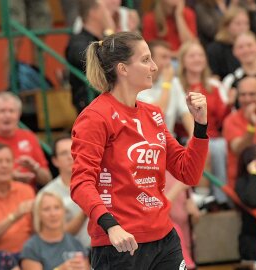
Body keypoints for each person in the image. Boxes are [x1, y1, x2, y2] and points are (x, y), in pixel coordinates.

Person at [70, 31, 209, 269]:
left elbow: (188, 173)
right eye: (145, 60)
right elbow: (81, 182)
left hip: (164, 238)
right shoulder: (95, 117)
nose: (154, 67)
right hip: (120, 243)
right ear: (122, 69)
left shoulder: (153, 114)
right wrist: (110, 225)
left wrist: (200, 127)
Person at [178, 40, 233, 204]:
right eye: (192, 56)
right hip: (187, 137)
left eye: (200, 55)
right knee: (211, 149)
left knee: (220, 147)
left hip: (215, 136)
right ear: (183, 61)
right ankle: (208, 199)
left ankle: (220, 199)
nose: (197, 59)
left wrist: (229, 104)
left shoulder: (214, 85)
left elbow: (223, 119)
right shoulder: (177, 85)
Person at [0, 92, 51, 186]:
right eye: (2, 111)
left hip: (29, 195)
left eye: (11, 111)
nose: (7, 116)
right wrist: (9, 178)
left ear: (19, 115)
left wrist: (35, 168)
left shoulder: (29, 137)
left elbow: (47, 179)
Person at [39, 136, 90, 249]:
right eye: (63, 153)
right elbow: (54, 235)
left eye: (73, 150)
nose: (70, 156)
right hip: (71, 256)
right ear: (55, 161)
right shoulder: (47, 194)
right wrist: (88, 208)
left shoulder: (99, 182)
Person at [137, 40, 193, 137]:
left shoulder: (174, 81)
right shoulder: (137, 85)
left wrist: (193, 137)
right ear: (150, 60)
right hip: (146, 140)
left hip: (169, 140)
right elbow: (157, 113)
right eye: (164, 57)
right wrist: (166, 84)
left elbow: (185, 112)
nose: (169, 63)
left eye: (170, 58)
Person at [65, 0, 114, 112]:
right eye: (105, 9)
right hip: (90, 105)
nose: (110, 13)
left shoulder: (99, 39)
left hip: (105, 102)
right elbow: (103, 61)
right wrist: (110, 32)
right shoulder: (78, 42)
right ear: (94, 13)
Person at [21, 191, 88, 270]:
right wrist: (60, 269)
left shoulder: (74, 243)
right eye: (46, 209)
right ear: (38, 214)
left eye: (57, 208)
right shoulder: (31, 247)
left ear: (63, 211)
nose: (53, 214)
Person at [206, 6, 250, 80]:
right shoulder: (215, 49)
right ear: (226, 26)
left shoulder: (251, 46)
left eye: (246, 23)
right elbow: (214, 77)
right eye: (238, 24)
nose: (243, 27)